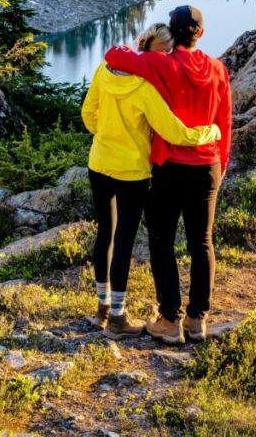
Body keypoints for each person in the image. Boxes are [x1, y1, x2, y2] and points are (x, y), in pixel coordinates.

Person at [81, 22, 221, 340]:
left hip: (99, 163)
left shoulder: (105, 70)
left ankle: (102, 310)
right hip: (131, 172)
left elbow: (88, 113)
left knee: (105, 235)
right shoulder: (147, 89)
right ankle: (117, 319)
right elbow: (174, 133)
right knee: (124, 242)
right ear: (163, 53)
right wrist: (209, 132)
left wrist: (106, 137)